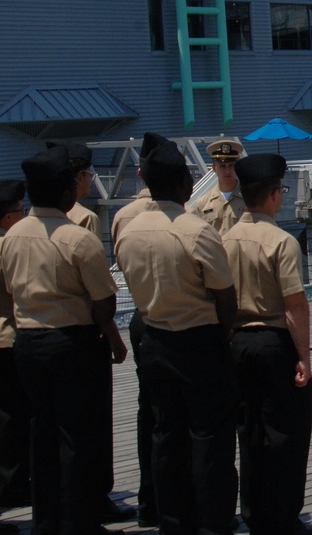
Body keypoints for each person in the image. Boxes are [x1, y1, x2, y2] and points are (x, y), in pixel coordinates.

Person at [1, 146, 127, 535]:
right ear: (64, 191)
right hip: (72, 343)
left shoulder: (12, 235)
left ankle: (46, 519)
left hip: (28, 342)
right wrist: (115, 342)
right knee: (78, 435)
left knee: (42, 430)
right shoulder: (77, 238)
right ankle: (79, 522)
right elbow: (104, 301)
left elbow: (5, 293)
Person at [115, 140, 239, 535]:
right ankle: (212, 521)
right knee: (209, 437)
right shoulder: (195, 230)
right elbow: (224, 294)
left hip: (152, 335)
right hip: (197, 339)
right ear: (183, 182)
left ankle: (172, 520)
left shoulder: (127, 230)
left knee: (165, 435)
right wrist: (224, 336)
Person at [222, 154, 312, 535]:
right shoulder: (281, 242)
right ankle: (281, 519)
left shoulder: (224, 239)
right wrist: (304, 358)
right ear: (274, 195)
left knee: (248, 431)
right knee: (285, 434)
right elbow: (294, 304)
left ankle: (253, 513)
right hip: (274, 341)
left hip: (238, 340)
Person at [109, 131, 170, 528]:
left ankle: (150, 501)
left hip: (141, 317)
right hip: (177, 322)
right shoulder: (186, 213)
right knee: (178, 417)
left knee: (147, 411)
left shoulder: (122, 217)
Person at [0, 180, 30, 520]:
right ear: (8, 218)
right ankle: (12, 481)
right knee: (13, 414)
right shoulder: (6, 247)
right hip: (8, 336)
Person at [190, 138, 247, 234]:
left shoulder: (250, 200)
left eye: (231, 166)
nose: (227, 171)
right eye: (222, 166)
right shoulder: (203, 204)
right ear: (214, 168)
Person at [47, 142, 103, 238]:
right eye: (90, 174)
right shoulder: (87, 218)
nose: (91, 180)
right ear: (80, 177)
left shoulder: (41, 213)